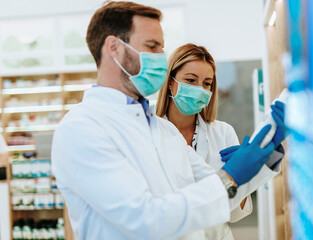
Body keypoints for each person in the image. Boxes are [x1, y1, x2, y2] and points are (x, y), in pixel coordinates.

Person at [51, 1, 286, 239]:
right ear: (114, 47)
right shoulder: (82, 128)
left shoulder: (161, 128)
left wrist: (265, 154)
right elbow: (144, 219)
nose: (161, 58)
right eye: (152, 46)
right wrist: (233, 174)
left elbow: (218, 188)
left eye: (161, 48)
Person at [156, 43, 286, 239]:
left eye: (206, 83)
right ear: (171, 82)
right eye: (190, 80)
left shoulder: (223, 132)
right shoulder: (151, 134)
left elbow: (234, 213)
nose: (199, 89)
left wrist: (246, 173)